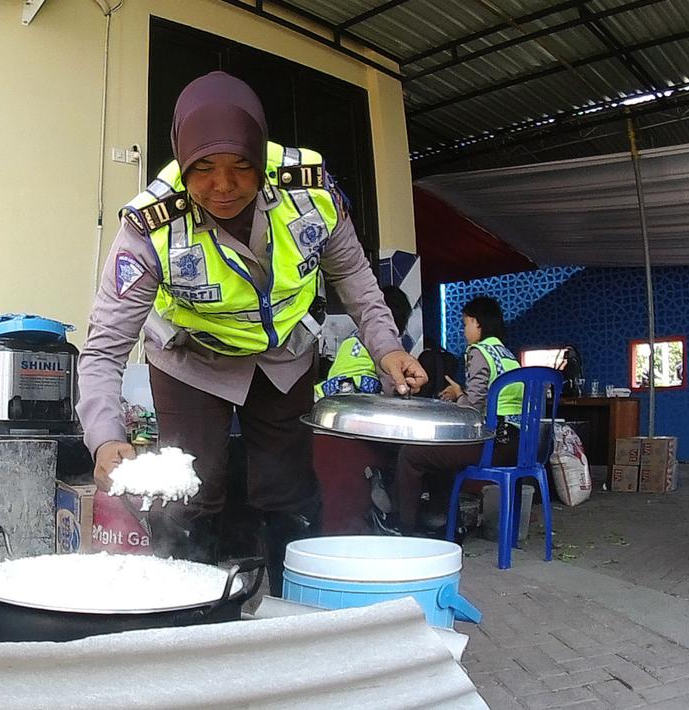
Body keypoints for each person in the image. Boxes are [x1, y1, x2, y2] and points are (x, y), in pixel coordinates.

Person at [76, 72, 427, 593]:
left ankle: (294, 601)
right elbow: (105, 345)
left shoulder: (309, 191)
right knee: (192, 485)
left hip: (284, 355)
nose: (223, 186)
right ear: (181, 159)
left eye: (242, 166)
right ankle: (184, 603)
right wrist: (105, 438)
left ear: (261, 156)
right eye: (204, 170)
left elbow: (352, 274)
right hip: (193, 361)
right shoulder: (150, 224)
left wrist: (387, 346)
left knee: (286, 486)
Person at [385, 296, 522, 536]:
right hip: (518, 443)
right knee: (442, 456)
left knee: (412, 453)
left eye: (466, 323)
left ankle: (403, 526)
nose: (464, 330)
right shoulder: (507, 355)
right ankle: (448, 523)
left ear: (478, 324)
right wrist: (462, 392)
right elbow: (492, 396)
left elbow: (472, 409)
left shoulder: (478, 351)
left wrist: (459, 395)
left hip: (493, 444)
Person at [315, 285, 412, 398]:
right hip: (363, 399)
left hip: (329, 396)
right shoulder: (387, 349)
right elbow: (392, 385)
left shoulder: (351, 339)